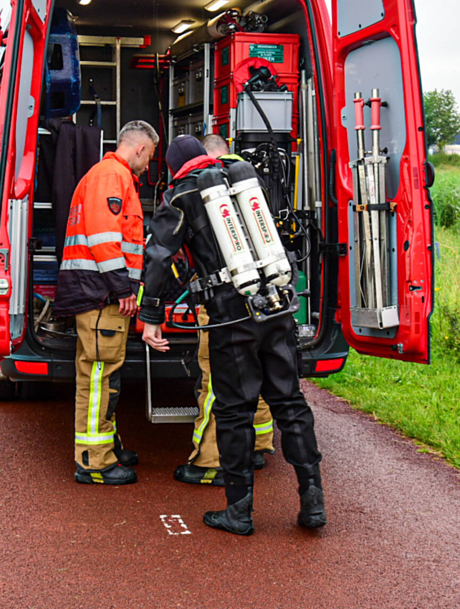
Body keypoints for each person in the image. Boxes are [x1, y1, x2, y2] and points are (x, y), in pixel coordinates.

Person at [139, 135, 326, 535]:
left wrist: (151, 315)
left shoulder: (180, 195)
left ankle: (239, 512)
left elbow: (159, 256)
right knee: (290, 402)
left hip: (230, 315)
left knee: (234, 411)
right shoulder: (243, 180)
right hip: (275, 305)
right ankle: (313, 502)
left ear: (174, 166)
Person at [54, 120, 158, 486]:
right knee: (100, 375)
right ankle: (95, 461)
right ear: (140, 148)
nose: (148, 165)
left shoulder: (109, 175)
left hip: (97, 293)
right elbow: (104, 239)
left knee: (101, 374)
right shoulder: (112, 176)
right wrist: (123, 289)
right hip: (101, 295)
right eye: (150, 156)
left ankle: (105, 447)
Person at [172, 133, 275, 487]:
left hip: (222, 303)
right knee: (257, 371)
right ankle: (258, 445)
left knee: (215, 379)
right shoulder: (251, 184)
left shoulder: (205, 190)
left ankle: (209, 461)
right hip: (263, 298)